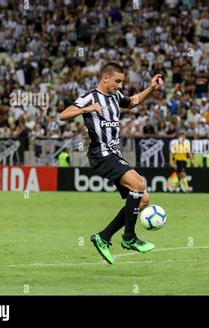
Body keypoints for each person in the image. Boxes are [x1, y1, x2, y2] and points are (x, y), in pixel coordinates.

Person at [59, 62, 163, 265]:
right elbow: (63, 115)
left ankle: (103, 237)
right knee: (139, 184)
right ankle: (129, 237)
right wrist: (87, 109)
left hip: (114, 153)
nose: (120, 86)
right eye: (117, 81)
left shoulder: (115, 97)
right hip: (101, 154)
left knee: (143, 199)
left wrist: (151, 88)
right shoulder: (90, 96)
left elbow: (132, 101)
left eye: (122, 82)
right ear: (105, 78)